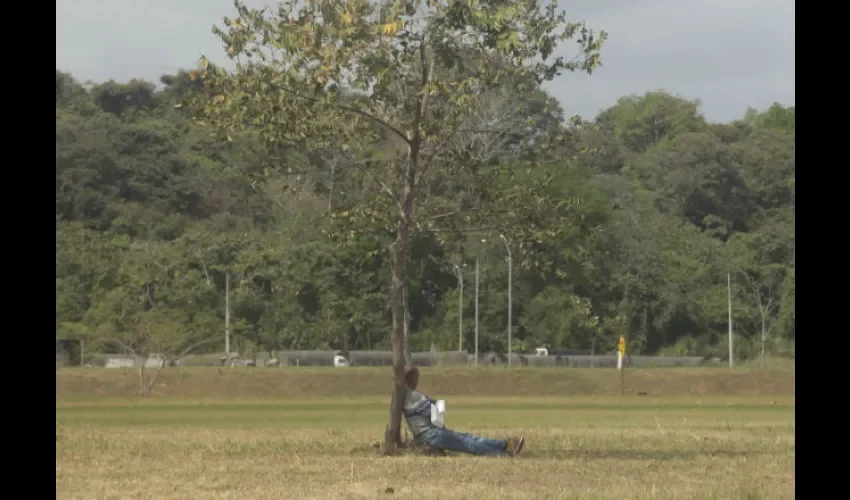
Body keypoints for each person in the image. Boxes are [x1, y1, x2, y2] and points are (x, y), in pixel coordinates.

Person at [402, 365, 525, 457]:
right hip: (430, 435)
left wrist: (435, 404)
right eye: (416, 377)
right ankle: (503, 452)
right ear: (411, 379)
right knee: (467, 443)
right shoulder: (415, 396)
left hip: (428, 434)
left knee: (467, 438)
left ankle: (505, 445)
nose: (418, 380)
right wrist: (438, 406)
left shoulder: (408, 396)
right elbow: (437, 420)